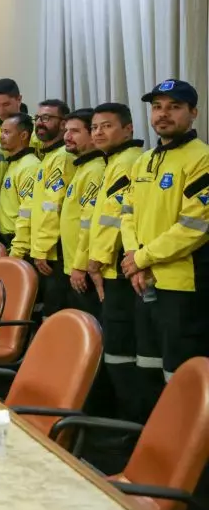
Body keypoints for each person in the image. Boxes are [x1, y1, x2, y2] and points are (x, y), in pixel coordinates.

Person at [121, 80, 209, 417]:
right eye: (158, 107)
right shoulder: (144, 161)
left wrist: (140, 258)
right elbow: (127, 213)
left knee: (181, 376)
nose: (163, 114)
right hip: (143, 281)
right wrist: (134, 258)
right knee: (147, 369)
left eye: (174, 107)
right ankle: (150, 448)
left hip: (182, 288)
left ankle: (186, 461)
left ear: (193, 112)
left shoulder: (201, 158)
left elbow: (195, 227)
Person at [86, 102, 145, 423]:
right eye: (95, 127)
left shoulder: (128, 162)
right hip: (106, 266)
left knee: (122, 353)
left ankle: (130, 428)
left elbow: (114, 217)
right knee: (115, 350)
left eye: (106, 126)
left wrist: (96, 260)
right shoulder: (113, 162)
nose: (98, 133)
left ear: (128, 129)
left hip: (120, 269)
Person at [11, 99, 73, 317]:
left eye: (47, 118)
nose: (40, 123)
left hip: (53, 253)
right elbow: (31, 207)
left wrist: (42, 249)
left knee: (54, 314)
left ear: (64, 123)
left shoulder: (63, 157)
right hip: (40, 249)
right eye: (38, 118)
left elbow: (52, 206)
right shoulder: (46, 157)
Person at [58, 109, 105, 316]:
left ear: (93, 136)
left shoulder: (95, 170)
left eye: (75, 131)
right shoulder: (83, 167)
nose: (67, 136)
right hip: (74, 266)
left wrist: (80, 266)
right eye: (66, 130)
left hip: (83, 268)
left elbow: (89, 223)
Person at [0, 114, 40, 247]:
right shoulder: (13, 163)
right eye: (1, 131)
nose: (1, 136)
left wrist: (19, 247)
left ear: (23, 136)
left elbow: (28, 210)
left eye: (7, 132)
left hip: (18, 240)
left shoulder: (30, 166)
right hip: (5, 237)